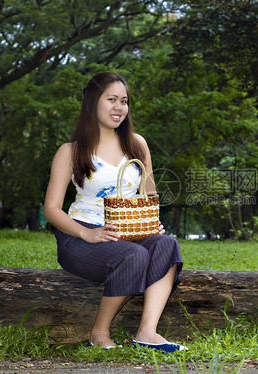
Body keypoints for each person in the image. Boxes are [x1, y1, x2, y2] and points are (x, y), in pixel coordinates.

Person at [43, 72, 185, 353]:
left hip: (129, 232)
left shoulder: (137, 144)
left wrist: (152, 223)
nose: (119, 107)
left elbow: (149, 193)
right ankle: (99, 332)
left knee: (167, 245)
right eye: (111, 100)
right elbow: (51, 209)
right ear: (92, 102)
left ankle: (147, 331)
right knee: (134, 255)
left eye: (124, 101)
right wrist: (88, 233)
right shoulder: (70, 151)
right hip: (80, 238)